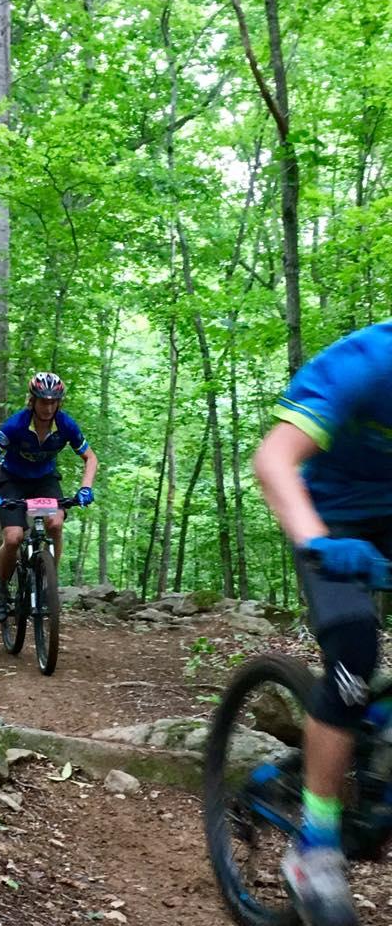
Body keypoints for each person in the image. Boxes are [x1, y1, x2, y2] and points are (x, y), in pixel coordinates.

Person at [253, 322, 392, 926]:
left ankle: (376, 740)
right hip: (328, 519)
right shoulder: (368, 361)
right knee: (354, 649)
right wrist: (317, 543)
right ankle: (317, 844)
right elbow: (273, 459)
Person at [0, 371, 98, 621]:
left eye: (53, 402)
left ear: (59, 403)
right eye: (43, 401)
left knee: (56, 523)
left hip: (45, 480)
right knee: (13, 538)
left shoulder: (66, 425)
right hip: (13, 480)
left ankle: (47, 583)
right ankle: (1, 589)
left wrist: (86, 487)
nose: (48, 407)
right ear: (33, 400)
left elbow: (90, 457)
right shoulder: (16, 425)